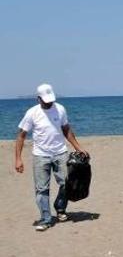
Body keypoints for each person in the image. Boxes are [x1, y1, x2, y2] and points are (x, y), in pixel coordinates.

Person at [15, 83, 88, 231]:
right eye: (45, 100)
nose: (49, 103)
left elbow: (66, 130)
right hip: (40, 156)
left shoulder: (60, 109)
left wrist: (78, 148)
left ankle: (60, 208)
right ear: (38, 99)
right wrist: (18, 159)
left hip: (60, 153)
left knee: (67, 183)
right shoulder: (32, 113)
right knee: (42, 189)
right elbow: (21, 136)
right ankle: (46, 219)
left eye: (51, 100)